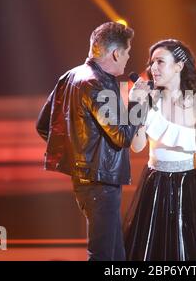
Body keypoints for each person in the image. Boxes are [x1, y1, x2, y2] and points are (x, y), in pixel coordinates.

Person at [36, 22, 150, 261]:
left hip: (89, 180)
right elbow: (123, 136)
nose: (128, 58)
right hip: (101, 182)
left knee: (115, 255)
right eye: (127, 52)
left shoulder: (70, 76)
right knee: (103, 256)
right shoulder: (98, 83)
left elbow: (44, 126)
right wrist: (138, 101)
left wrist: (79, 156)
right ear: (116, 53)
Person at [123, 39, 196, 260]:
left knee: (185, 250)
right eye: (151, 63)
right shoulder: (150, 100)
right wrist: (136, 106)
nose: (153, 68)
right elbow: (137, 146)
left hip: (186, 185)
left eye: (160, 62)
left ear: (179, 66)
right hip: (154, 183)